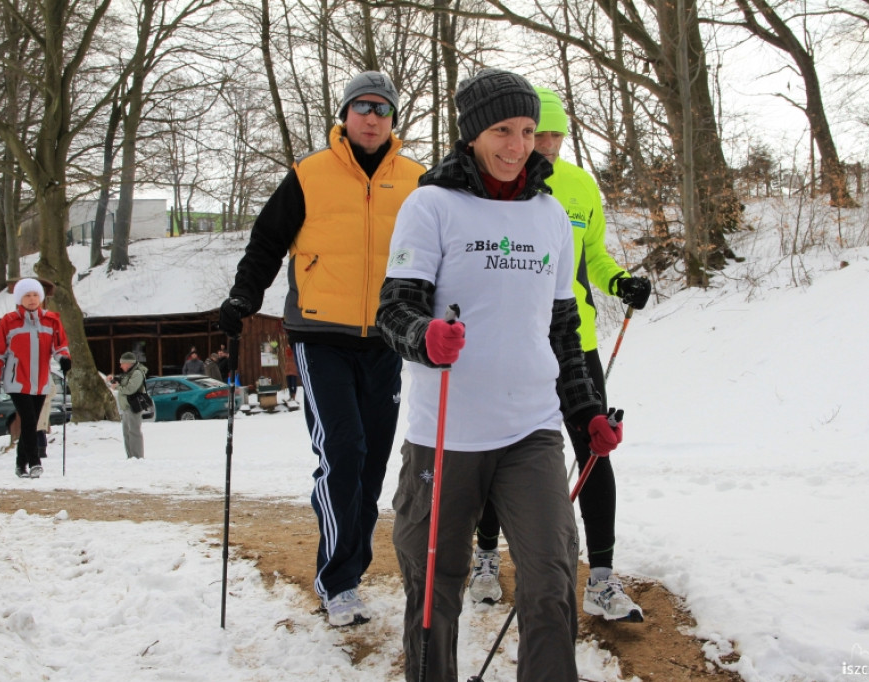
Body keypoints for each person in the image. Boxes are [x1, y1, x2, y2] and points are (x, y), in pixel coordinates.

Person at [375, 68, 622, 682]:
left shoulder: (548, 216)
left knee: (551, 577)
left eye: (528, 130)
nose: (517, 145)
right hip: (447, 432)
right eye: (502, 130)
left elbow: (563, 330)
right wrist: (425, 338)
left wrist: (586, 412)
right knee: (436, 587)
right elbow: (395, 308)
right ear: (471, 135)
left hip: (530, 428)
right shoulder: (431, 204)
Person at [218, 71, 425, 627]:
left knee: (373, 462)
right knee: (343, 452)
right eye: (362, 107)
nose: (373, 117)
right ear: (345, 113)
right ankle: (336, 580)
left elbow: (440, 250)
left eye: (383, 108)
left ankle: (351, 572)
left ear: (393, 118)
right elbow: (266, 242)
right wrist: (243, 295)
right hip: (319, 334)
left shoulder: (416, 180)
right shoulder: (309, 174)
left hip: (386, 338)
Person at [467, 87, 652, 622]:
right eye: (536, 132)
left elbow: (592, 254)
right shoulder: (496, 185)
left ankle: (601, 577)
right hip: (515, 342)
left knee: (595, 450)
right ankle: (484, 557)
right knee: (503, 450)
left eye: (553, 134)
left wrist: (619, 282)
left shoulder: (578, 186)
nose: (544, 143)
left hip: (578, 342)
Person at [0, 278, 71, 478]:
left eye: (35, 295)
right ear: (19, 299)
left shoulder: (51, 320)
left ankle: (20, 465)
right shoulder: (9, 321)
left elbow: (60, 346)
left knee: (31, 423)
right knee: (29, 419)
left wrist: (64, 359)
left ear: (41, 298)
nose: (32, 299)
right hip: (17, 380)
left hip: (41, 381)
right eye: (27, 295)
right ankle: (35, 462)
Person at [110, 351, 148, 459]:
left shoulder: (137, 373)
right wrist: (114, 380)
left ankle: (137, 457)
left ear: (128, 363)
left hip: (133, 406)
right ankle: (130, 456)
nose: (120, 366)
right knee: (127, 433)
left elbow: (130, 389)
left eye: (122, 363)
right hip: (126, 407)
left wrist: (117, 387)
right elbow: (123, 382)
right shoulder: (129, 373)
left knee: (134, 432)